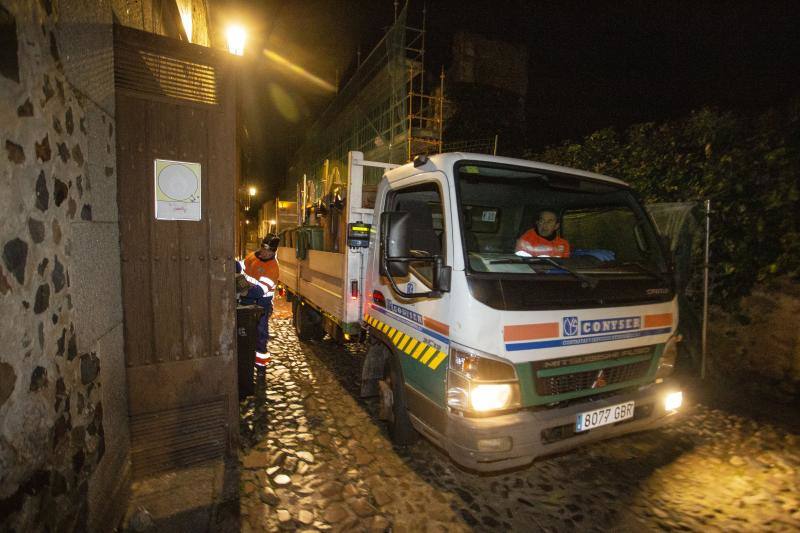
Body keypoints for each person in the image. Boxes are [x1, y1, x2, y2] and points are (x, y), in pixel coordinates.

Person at [236, 234, 280, 369]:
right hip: (245, 301)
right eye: (264, 249)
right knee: (243, 333)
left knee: (260, 334)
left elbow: (259, 291)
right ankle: (245, 360)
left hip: (262, 305)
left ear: (274, 251)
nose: (266, 253)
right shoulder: (252, 256)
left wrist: (242, 290)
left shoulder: (272, 267)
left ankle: (260, 366)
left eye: (269, 251)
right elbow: (240, 267)